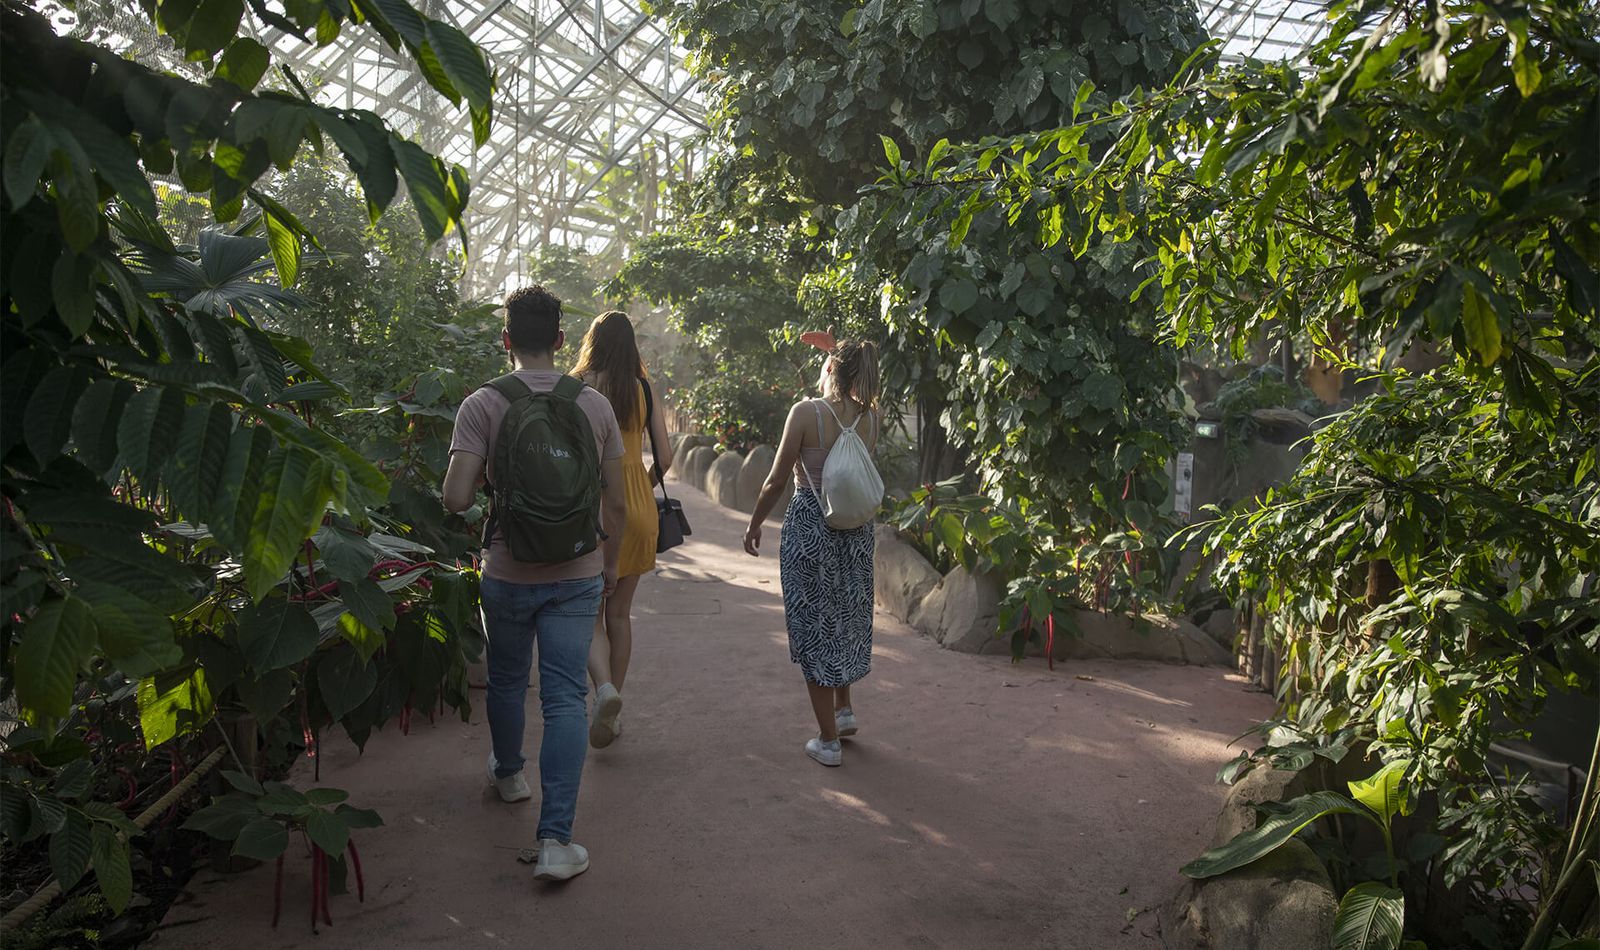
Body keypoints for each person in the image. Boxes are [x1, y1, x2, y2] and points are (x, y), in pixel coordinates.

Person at [442, 285, 628, 881]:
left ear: (506, 341)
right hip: (576, 571)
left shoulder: (482, 404)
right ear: (558, 340)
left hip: (505, 568)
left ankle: (509, 774)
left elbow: (455, 498)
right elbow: (619, 503)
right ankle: (556, 842)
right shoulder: (595, 406)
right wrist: (610, 564)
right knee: (564, 697)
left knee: (505, 679)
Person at [742, 337, 881, 767]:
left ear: (829, 369)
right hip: (856, 531)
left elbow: (775, 481)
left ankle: (827, 741)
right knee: (845, 617)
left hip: (811, 526)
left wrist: (754, 522)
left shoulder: (805, 413)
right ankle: (843, 710)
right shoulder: (871, 418)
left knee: (814, 627)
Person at [570, 310, 673, 748]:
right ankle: (612, 710)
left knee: (592, 614)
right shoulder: (644, 388)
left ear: (592, 341)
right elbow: (665, 458)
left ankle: (603, 694)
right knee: (620, 614)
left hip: (590, 504)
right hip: (638, 506)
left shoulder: (577, 386)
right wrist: (640, 487)